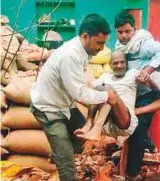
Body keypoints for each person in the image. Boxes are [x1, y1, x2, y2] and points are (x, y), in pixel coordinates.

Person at [30, 13, 117, 181]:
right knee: (67, 165)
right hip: (48, 109)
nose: (102, 47)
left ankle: (59, 152)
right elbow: (78, 93)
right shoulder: (70, 55)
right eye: (99, 43)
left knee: (82, 137)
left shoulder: (82, 52)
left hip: (65, 104)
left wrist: (101, 88)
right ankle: (62, 157)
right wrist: (106, 96)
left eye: (104, 43)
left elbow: (84, 80)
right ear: (85, 36)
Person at [114, 11, 160, 179]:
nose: (124, 35)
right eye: (120, 31)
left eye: (127, 31)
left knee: (137, 128)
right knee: (127, 121)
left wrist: (147, 71)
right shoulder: (119, 47)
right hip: (135, 92)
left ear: (134, 30)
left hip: (152, 91)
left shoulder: (143, 43)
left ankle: (132, 173)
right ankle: (149, 145)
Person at [74, 50, 160, 142]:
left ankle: (95, 128)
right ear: (110, 65)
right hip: (107, 123)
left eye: (122, 62)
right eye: (115, 63)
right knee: (99, 89)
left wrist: (148, 81)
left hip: (125, 122)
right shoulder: (105, 76)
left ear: (126, 63)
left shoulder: (132, 74)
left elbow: (156, 90)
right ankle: (89, 124)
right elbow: (90, 90)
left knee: (109, 90)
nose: (119, 66)